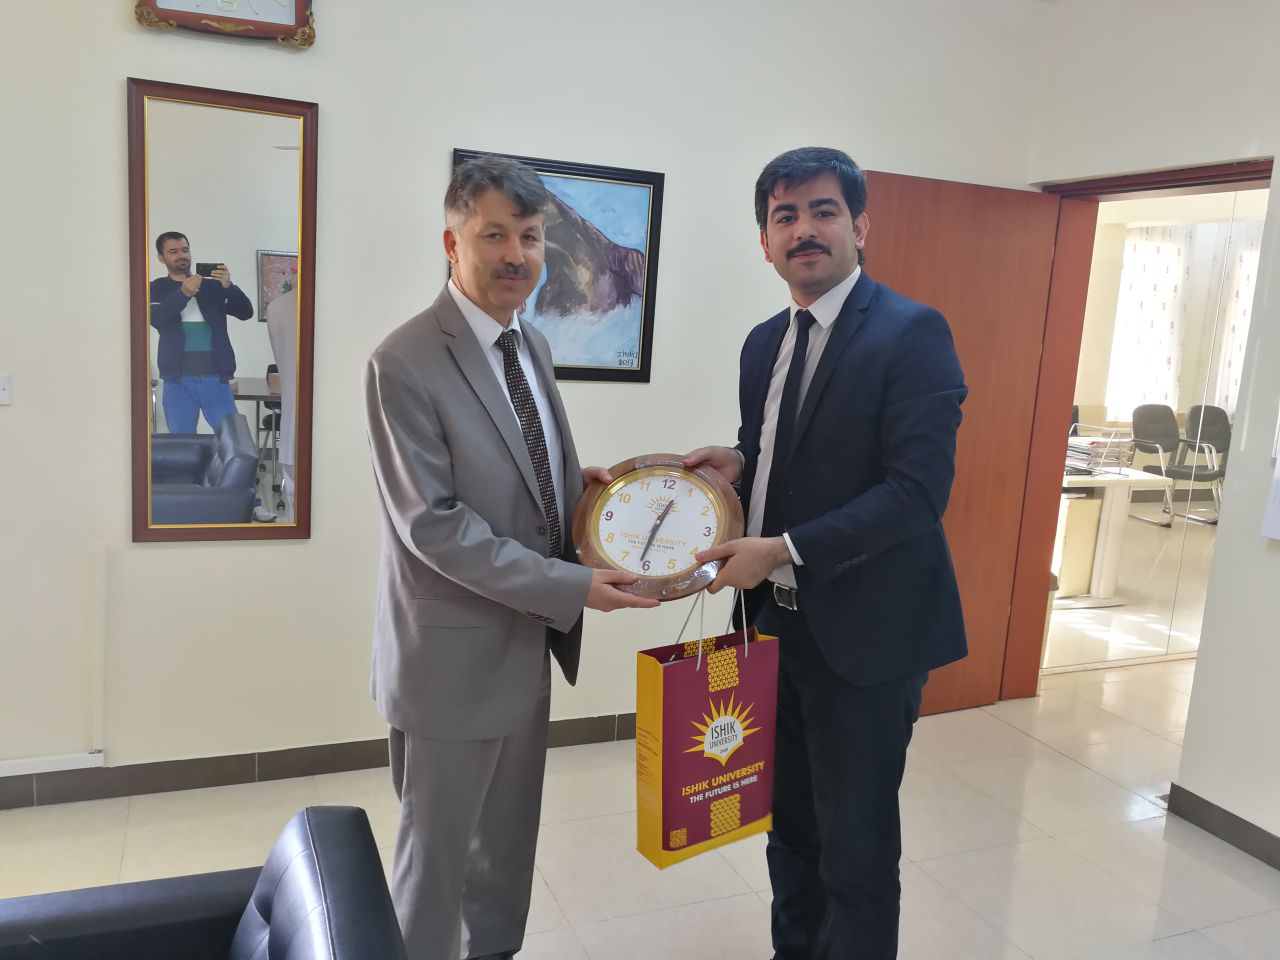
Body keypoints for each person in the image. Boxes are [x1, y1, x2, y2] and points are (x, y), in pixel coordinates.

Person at [364, 154, 658, 960]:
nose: (516, 255)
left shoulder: (528, 344)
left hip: (526, 643)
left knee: (504, 853)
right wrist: (572, 583)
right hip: (451, 660)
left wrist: (577, 495)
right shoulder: (404, 360)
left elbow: (519, 473)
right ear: (452, 243)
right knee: (437, 864)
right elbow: (433, 525)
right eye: (494, 235)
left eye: (529, 236)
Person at [685, 146, 968, 960]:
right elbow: (789, 450)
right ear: (764, 241)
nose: (804, 230)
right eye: (785, 216)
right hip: (772, 626)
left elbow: (916, 492)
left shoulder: (913, 332)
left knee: (857, 855)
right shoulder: (762, 343)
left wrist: (783, 547)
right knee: (789, 833)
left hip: (866, 639)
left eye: (823, 211)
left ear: (859, 227)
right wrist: (741, 463)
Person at [148, 232, 253, 433]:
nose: (181, 255)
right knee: (182, 444)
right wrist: (183, 294)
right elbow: (157, 319)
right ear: (161, 258)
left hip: (216, 378)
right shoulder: (156, 288)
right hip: (177, 381)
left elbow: (245, 313)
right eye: (173, 251)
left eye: (185, 250)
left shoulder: (212, 286)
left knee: (233, 438)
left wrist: (229, 288)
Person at [265, 278, 297, 521]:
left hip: (293, 417)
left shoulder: (277, 306)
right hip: (296, 415)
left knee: (298, 503)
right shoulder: (279, 306)